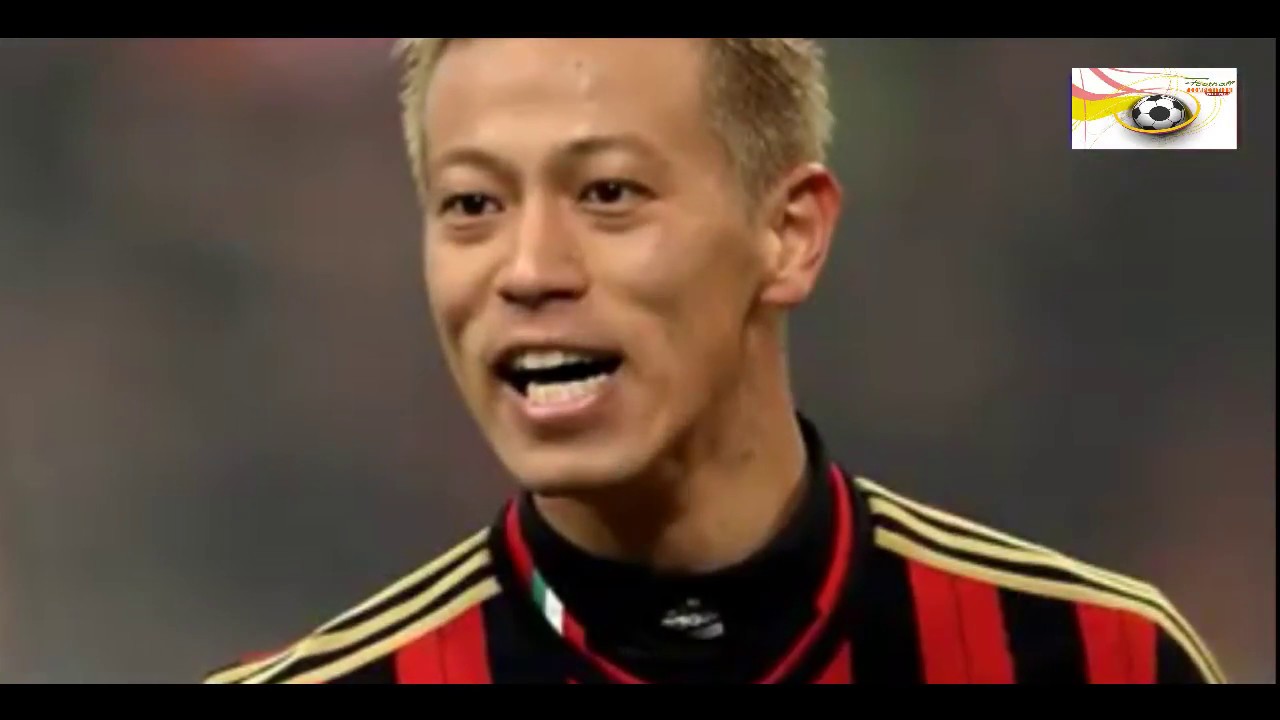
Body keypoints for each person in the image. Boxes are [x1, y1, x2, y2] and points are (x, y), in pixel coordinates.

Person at [204, 38, 1225, 685]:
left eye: (608, 193)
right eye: (472, 203)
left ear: (792, 232)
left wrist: (1121, 106)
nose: (528, 270)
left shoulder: (1100, 660)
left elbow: (1207, 105)